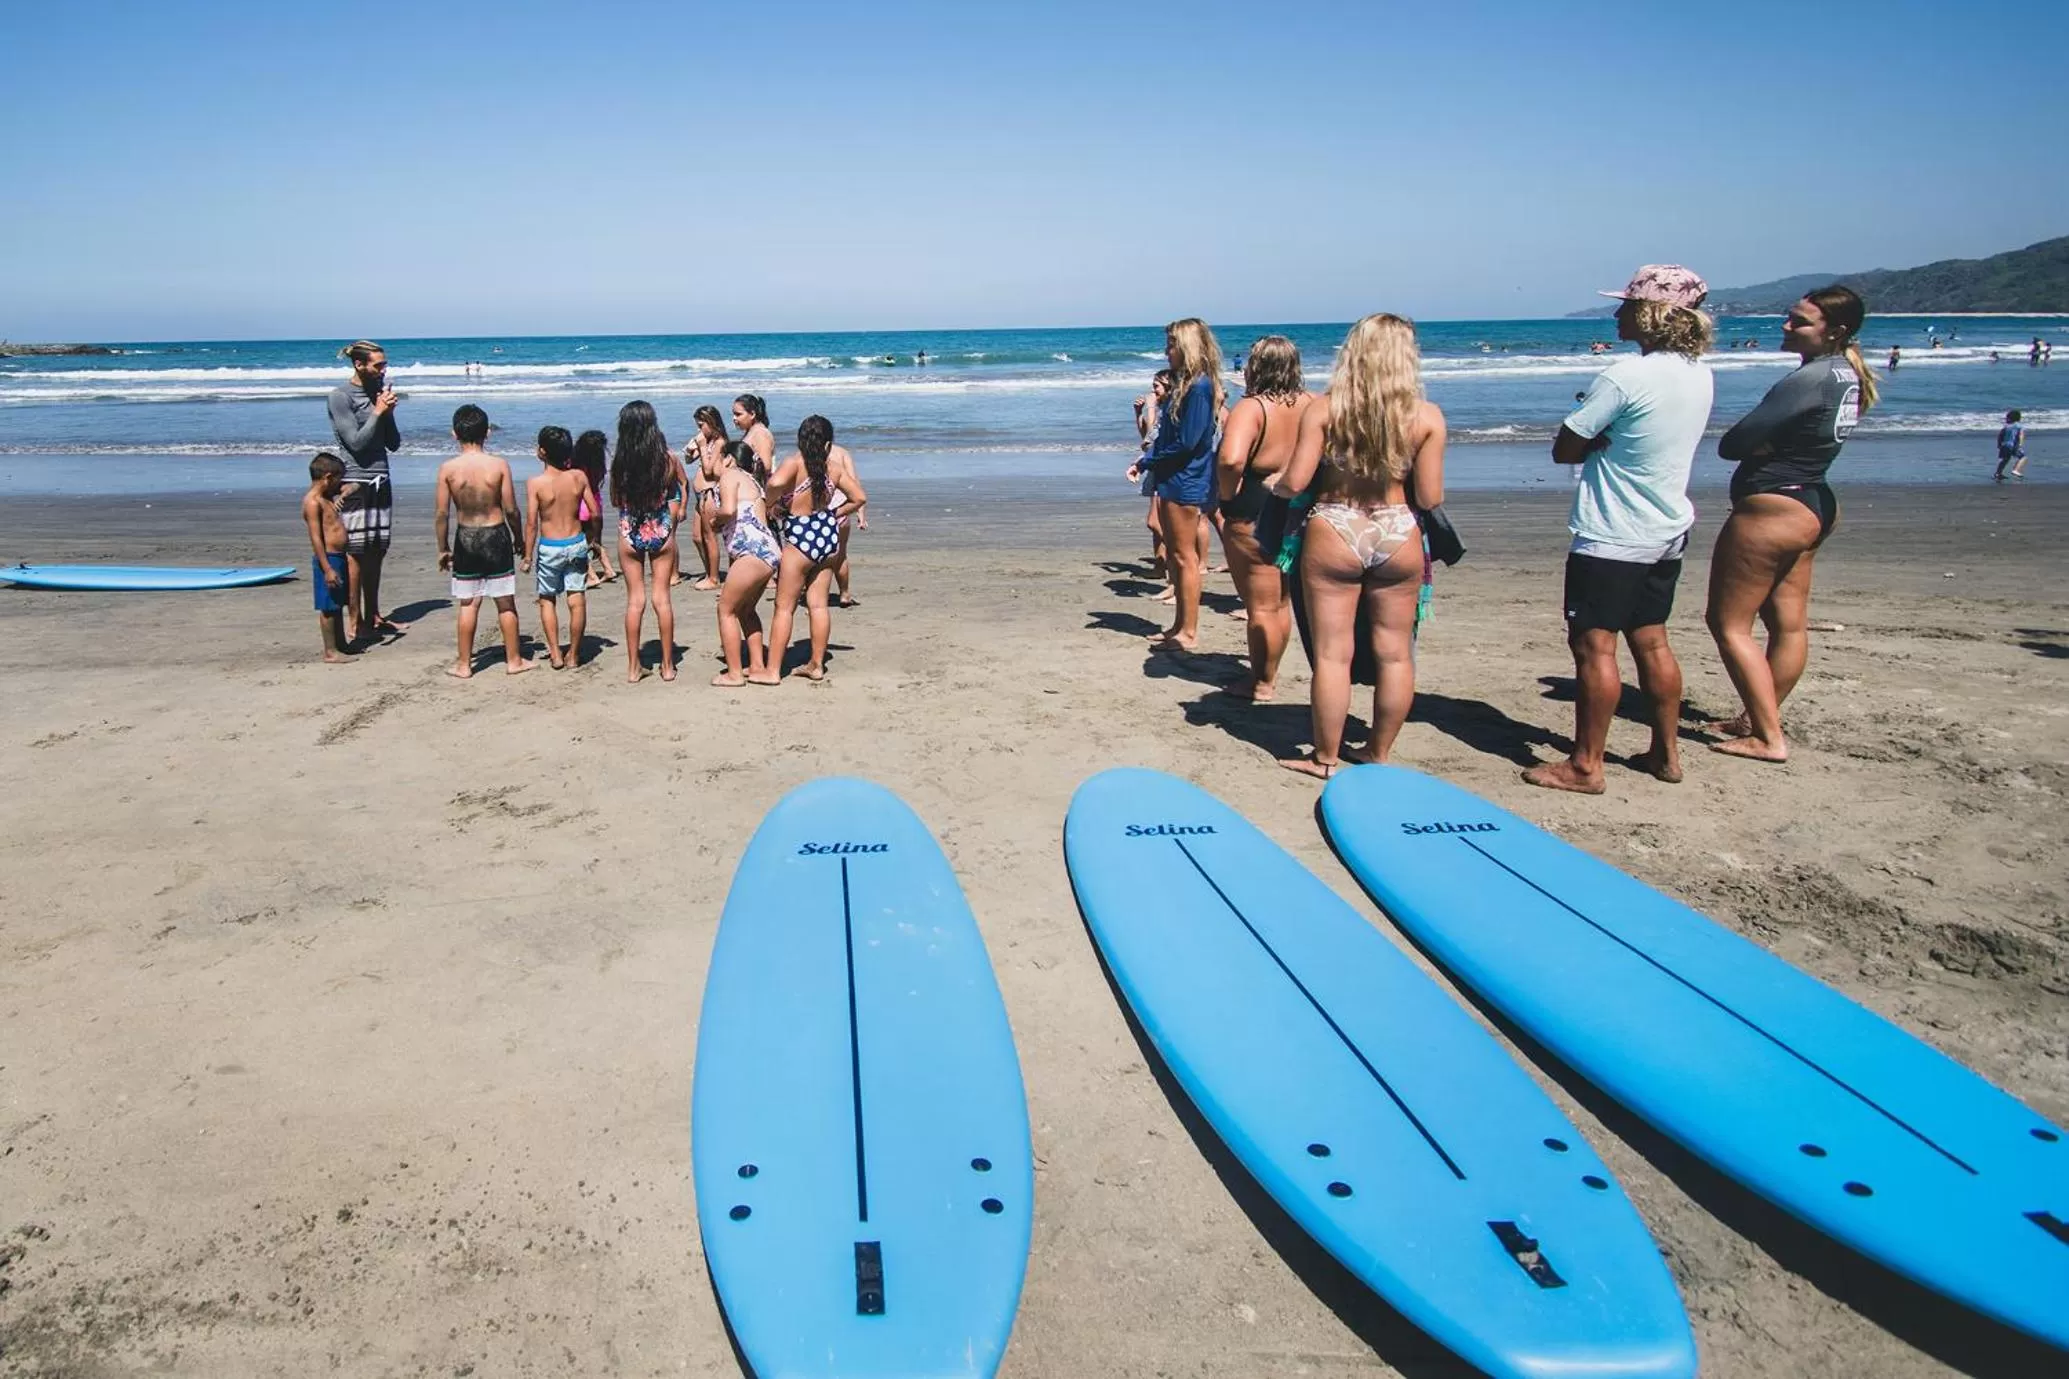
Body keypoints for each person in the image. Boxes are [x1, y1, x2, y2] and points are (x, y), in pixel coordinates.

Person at [1524, 264, 1715, 795]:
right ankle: (1665, 752)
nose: (1617, 314)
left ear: (1652, 313)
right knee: (1652, 640)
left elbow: (1566, 447)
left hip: (1615, 530)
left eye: (1627, 306)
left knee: (1594, 646)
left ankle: (1586, 764)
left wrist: (1596, 439)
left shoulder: (1626, 376)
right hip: (1667, 524)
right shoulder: (1698, 372)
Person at [1703, 286, 1876, 763]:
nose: (1786, 326)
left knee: (1729, 624)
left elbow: (1733, 444)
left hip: (1774, 508)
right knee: (1788, 625)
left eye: (1799, 321)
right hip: (1812, 500)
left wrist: (1763, 447)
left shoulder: (1810, 379)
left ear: (1835, 331)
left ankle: (1767, 736)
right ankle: (1758, 719)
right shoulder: (1844, 373)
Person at [1275, 315, 1445, 778]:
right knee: (1395, 652)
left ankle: (1325, 758)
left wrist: (1276, 487)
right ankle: (1377, 752)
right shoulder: (1427, 417)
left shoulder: (1326, 410)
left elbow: (1295, 481)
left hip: (1336, 523)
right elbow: (1430, 497)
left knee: (1332, 653)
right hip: (1397, 527)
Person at [1216, 336, 1309, 701]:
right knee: (1282, 601)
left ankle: (1261, 681)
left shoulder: (1252, 408)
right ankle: (1269, 673)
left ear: (1256, 367)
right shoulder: (1313, 403)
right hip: (1297, 506)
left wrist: (1226, 496)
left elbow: (1231, 460)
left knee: (1260, 605)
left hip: (1255, 506)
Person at [758, 415, 867, 683]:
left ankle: (772, 671)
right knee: (818, 605)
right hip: (826, 535)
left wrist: (771, 505)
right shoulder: (833, 468)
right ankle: (816, 665)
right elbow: (859, 497)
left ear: (800, 440)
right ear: (828, 444)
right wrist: (835, 513)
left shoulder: (795, 463)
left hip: (800, 537)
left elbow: (774, 484)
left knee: (784, 607)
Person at [434, 405, 533, 679]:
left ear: (454, 434)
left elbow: (442, 513)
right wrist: (519, 538)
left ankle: (464, 664)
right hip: (495, 535)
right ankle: (514, 660)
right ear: (488, 432)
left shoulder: (448, 469)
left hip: (466, 537)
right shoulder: (498, 465)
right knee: (505, 602)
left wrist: (443, 548)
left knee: (468, 603)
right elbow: (511, 509)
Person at [1143, 319, 1224, 651]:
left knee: (1184, 556)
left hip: (1186, 479)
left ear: (1188, 346)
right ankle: (1178, 625)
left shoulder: (1200, 387)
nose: (1167, 351)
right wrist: (1147, 460)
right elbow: (1169, 435)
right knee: (1177, 556)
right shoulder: (1183, 384)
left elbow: (1189, 442)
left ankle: (1188, 631)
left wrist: (1150, 461)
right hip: (1171, 476)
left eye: (1172, 344)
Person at [326, 341, 402, 644]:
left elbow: (393, 443)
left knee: (377, 551)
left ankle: (374, 615)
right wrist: (378, 411)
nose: (383, 370)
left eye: (384, 364)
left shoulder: (377, 393)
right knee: (356, 555)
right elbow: (356, 443)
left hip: (381, 478)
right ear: (359, 365)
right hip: (355, 481)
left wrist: (388, 411)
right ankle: (355, 622)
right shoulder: (340, 396)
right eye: (378, 365)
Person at [611, 400, 686, 682]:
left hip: (630, 530)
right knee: (662, 599)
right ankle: (667, 666)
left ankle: (634, 667)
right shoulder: (667, 459)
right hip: (660, 529)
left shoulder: (620, 462)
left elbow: (615, 500)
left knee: (635, 601)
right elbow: (673, 492)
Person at [710, 440, 782, 686]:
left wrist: (715, 520)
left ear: (729, 459)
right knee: (745, 610)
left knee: (726, 610)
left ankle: (734, 673)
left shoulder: (730, 475)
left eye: (719, 458)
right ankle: (757, 665)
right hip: (769, 550)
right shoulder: (753, 481)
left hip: (752, 550)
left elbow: (729, 510)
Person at [526, 425, 591, 669]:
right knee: (577, 599)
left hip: (550, 546)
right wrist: (592, 538)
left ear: (542, 452)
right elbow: (594, 512)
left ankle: (555, 654)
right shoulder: (578, 477)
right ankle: (573, 655)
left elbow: (531, 523)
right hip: (575, 542)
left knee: (547, 599)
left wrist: (527, 555)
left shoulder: (536, 483)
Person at [1125, 369, 1177, 588]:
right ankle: (1160, 565)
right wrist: (1139, 414)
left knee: (1155, 522)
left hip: (1163, 469)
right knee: (1157, 523)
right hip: (1154, 466)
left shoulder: (1169, 411)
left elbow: (1152, 440)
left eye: (1157, 386)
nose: (1152, 390)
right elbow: (1146, 438)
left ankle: (1175, 566)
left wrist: (1151, 407)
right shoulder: (1163, 410)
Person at [301, 452, 352, 664]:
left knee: (338, 603)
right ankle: (330, 651)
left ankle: (341, 644)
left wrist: (346, 490)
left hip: (338, 556)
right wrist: (327, 568)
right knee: (329, 607)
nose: (340, 483)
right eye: (339, 479)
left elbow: (354, 486)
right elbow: (316, 537)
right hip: (327, 559)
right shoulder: (313, 502)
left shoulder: (327, 497)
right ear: (328, 477)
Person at [688, 404, 731, 591]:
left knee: (709, 537)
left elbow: (708, 470)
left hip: (709, 493)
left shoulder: (719, 442)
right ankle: (710, 571)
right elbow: (689, 460)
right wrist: (692, 451)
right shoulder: (708, 441)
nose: (699, 429)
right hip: (700, 494)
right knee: (697, 537)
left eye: (701, 425)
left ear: (711, 422)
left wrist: (703, 446)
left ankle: (713, 578)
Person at [572, 429, 620, 586]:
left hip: (581, 503)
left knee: (580, 542)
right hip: (595, 501)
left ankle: (591, 576)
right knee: (595, 540)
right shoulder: (599, 465)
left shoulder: (577, 465)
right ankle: (608, 569)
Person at [829, 442, 869, 607]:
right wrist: (861, 514)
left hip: (816, 514)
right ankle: (844, 594)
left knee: (817, 559)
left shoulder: (805, 454)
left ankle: (815, 595)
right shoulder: (841, 453)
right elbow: (854, 483)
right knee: (841, 555)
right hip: (841, 510)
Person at [1996, 409, 2027, 481]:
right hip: (2013, 445)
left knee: (2005, 459)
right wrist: (2020, 444)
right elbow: (2021, 435)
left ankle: (1998, 473)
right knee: (2023, 457)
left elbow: (2000, 435)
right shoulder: (2019, 426)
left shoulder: (2006, 426)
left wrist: (1999, 444)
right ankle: (2016, 470)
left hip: (2004, 445)